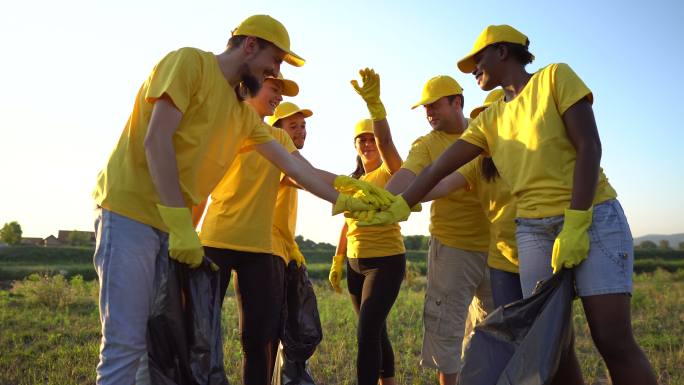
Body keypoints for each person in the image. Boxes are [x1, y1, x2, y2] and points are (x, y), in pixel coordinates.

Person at [91, 15, 377, 385]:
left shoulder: (243, 115)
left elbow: (293, 165)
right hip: (129, 214)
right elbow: (156, 138)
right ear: (250, 45)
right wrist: (181, 224)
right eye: (273, 62)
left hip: (169, 230)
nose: (273, 72)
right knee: (125, 348)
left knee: (157, 353)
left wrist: (349, 198)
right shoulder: (189, 63)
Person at [385, 24, 658, 385]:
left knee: (612, 338)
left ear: (502, 52)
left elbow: (590, 146)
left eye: (477, 60)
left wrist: (576, 221)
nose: (472, 71)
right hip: (533, 233)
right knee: (551, 347)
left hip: (593, 216)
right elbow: (439, 166)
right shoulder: (491, 118)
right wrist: (401, 203)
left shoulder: (555, 78)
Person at [193, 76, 312, 385]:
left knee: (258, 342)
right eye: (275, 88)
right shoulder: (225, 125)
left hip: (259, 249)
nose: (278, 96)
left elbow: (305, 174)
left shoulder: (279, 140)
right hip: (216, 240)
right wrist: (184, 231)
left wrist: (345, 190)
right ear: (252, 85)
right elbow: (201, 184)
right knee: (198, 335)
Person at [382, 74, 493, 385]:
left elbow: (440, 184)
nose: (429, 113)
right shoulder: (427, 144)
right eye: (425, 108)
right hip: (453, 248)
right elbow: (408, 174)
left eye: (434, 106)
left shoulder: (484, 130)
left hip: (499, 247)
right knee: (447, 331)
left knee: (493, 329)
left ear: (457, 102)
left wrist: (408, 198)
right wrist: (382, 199)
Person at [329, 69, 406, 385]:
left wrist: (377, 112)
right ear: (355, 146)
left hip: (385, 261)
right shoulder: (352, 182)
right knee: (375, 329)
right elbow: (347, 226)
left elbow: (387, 142)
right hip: (354, 265)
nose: (367, 143)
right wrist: (337, 260)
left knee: (367, 332)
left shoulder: (390, 172)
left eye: (371, 138)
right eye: (361, 139)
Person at [421, 89, 522, 308]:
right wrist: (402, 200)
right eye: (487, 117)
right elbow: (443, 184)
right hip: (499, 256)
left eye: (498, 116)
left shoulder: (531, 154)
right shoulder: (479, 160)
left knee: (538, 325)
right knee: (503, 326)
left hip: (531, 251)